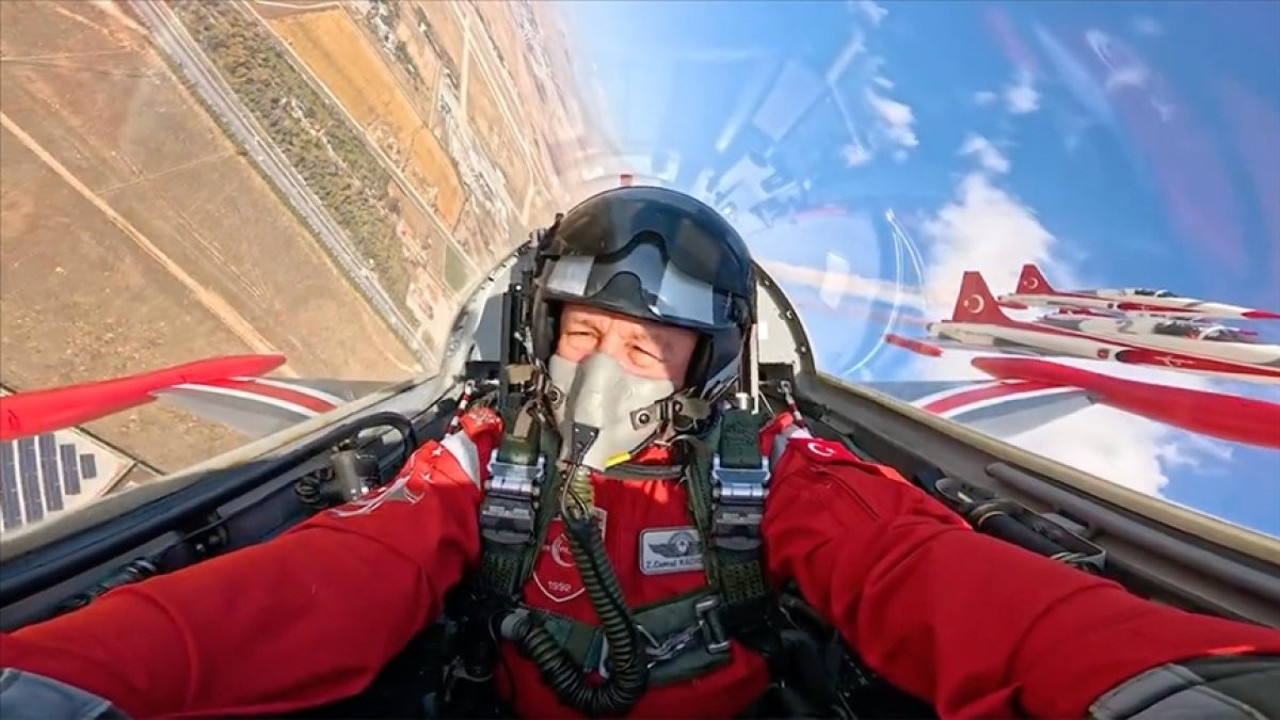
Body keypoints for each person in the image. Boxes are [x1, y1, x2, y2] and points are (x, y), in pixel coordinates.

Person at [2, 186, 1279, 720]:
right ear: (538, 335)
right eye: (584, 332)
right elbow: (323, 580)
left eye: (648, 345)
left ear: (703, 366)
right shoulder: (481, 455)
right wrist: (73, 676)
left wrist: (1163, 684)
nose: (607, 366)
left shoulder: (769, 472)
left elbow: (931, 576)